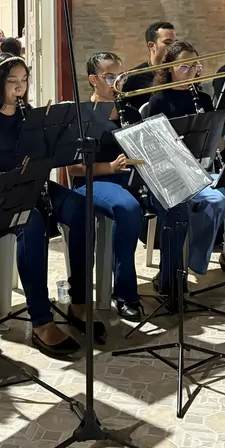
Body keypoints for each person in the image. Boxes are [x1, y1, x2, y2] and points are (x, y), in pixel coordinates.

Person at [0, 54, 92, 357]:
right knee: (30, 224)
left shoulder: (27, 115)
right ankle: (41, 320)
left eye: (23, 81)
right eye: (11, 82)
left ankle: (80, 300)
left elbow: (42, 157)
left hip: (29, 186)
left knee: (81, 209)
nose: (19, 88)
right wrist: (7, 180)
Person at [145, 41, 225, 304]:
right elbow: (155, 148)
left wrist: (217, 137)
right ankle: (180, 270)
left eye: (194, 65)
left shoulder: (202, 98)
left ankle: (207, 261)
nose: (190, 70)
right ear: (170, 68)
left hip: (200, 170)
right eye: (184, 65)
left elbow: (217, 142)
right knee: (211, 201)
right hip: (171, 175)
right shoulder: (159, 100)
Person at [68, 53, 145, 321]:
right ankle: (124, 293)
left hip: (128, 178)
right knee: (128, 207)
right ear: (93, 79)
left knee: (176, 202)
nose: (118, 83)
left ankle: (171, 282)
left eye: (121, 77)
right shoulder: (81, 115)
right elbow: (73, 168)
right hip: (93, 181)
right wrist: (109, 168)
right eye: (111, 77)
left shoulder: (129, 111)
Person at [119, 21, 177, 97]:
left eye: (176, 43)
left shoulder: (181, 72)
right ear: (151, 46)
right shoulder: (132, 78)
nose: (174, 47)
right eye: (167, 43)